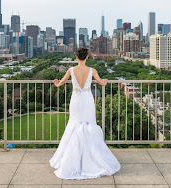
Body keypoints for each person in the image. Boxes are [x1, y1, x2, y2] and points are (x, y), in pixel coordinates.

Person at [49, 47, 121, 180]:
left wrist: (57, 84)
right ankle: (91, 158)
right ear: (87, 57)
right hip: (87, 100)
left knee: (74, 124)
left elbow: (61, 82)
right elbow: (101, 83)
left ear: (76, 57)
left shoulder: (71, 70)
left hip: (76, 100)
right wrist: (105, 81)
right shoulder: (92, 71)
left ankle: (70, 159)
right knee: (89, 125)